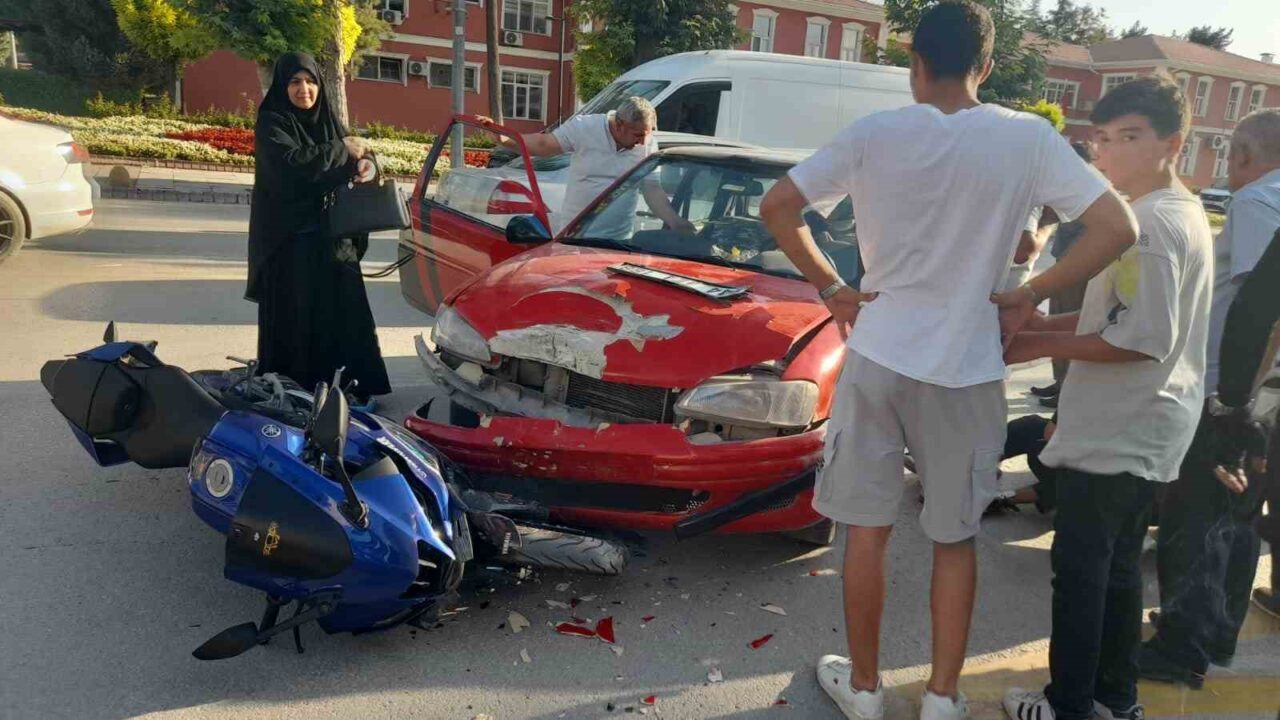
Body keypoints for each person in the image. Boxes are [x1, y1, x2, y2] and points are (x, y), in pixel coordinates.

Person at [759, 3, 1137, 718]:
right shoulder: (1027, 137)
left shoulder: (874, 133)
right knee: (954, 538)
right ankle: (941, 698)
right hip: (967, 367)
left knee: (866, 532)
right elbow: (1117, 227)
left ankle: (864, 689)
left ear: (916, 64)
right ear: (985, 66)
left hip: (876, 355)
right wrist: (1030, 293)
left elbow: (778, 206)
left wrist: (834, 288)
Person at [1000, 76, 1214, 720]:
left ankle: (1067, 705)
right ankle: (1115, 700)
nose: (1109, 152)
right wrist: (1038, 329)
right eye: (1102, 139)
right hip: (1147, 425)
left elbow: (1142, 339)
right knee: (1117, 572)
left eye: (1129, 137)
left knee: (1082, 575)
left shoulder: (1149, 228)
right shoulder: (1172, 210)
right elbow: (1115, 317)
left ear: (1172, 144)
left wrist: (1032, 346)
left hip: (1121, 427)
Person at [1140, 108, 1280, 687]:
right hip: (1260, 396)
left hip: (1235, 394)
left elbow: (1263, 309)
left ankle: (1182, 647)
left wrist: (1234, 403)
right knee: (1234, 517)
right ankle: (1209, 631)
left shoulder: (1257, 202)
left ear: (1242, 156)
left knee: (1197, 513)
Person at [247, 52, 391, 411]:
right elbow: (291, 167)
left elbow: (363, 155)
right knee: (300, 320)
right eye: (295, 82)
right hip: (292, 242)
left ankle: (352, 388)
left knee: (345, 316)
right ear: (282, 86)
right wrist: (341, 150)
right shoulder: (272, 122)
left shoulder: (328, 121)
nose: (304, 89)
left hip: (335, 239)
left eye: (311, 81)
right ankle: (300, 391)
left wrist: (367, 167)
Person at [477, 97, 691, 236]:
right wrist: (505, 139)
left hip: (619, 241)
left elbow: (652, 189)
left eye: (647, 135)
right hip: (576, 237)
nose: (643, 142)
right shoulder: (585, 127)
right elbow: (544, 144)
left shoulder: (648, 144)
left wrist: (675, 221)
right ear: (619, 125)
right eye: (638, 135)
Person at [1031, 141, 1098, 407]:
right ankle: (1059, 382)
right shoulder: (1068, 186)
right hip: (1061, 264)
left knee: (1069, 331)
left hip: (1077, 271)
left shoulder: (1092, 191)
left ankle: (1067, 392)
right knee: (1055, 323)